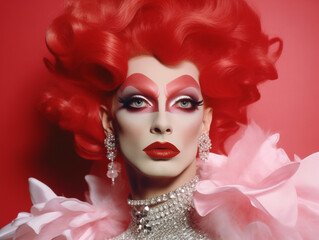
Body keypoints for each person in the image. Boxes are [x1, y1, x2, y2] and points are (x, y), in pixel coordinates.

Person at [0, 0, 318, 239]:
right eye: (138, 102)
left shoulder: (260, 230)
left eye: (184, 102)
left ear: (205, 121)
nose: (162, 122)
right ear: (109, 121)